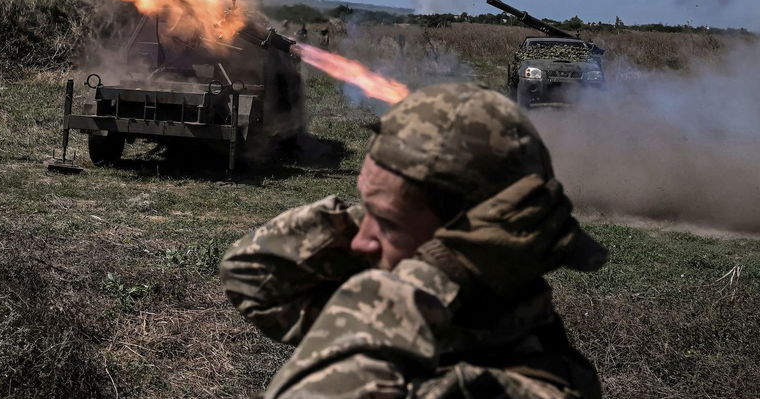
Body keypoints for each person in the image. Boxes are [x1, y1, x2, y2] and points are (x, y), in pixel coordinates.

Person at [220, 82, 607, 399]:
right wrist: (379, 210)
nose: (359, 241)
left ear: (471, 238)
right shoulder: (444, 327)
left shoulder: (522, 385)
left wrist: (434, 273)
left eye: (386, 224)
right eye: (362, 210)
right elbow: (251, 274)